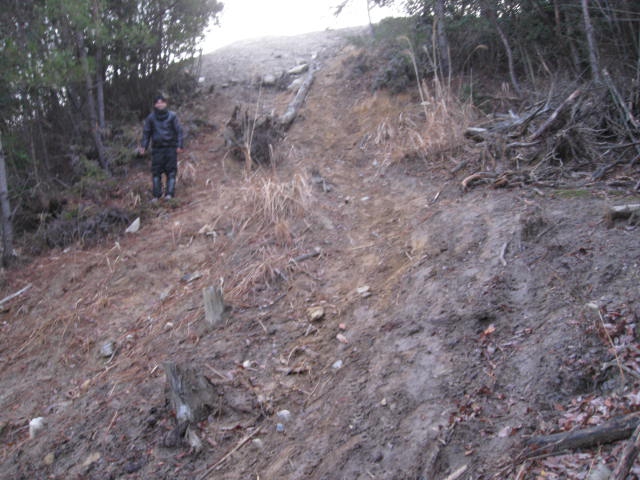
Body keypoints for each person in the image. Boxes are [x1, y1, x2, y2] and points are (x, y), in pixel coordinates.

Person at [138, 95, 184, 201]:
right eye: (157, 103)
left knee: (171, 172)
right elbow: (146, 133)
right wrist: (143, 146)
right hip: (157, 149)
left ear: (165, 103)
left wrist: (180, 145)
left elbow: (179, 131)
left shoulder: (172, 116)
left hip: (170, 148)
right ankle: (156, 196)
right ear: (155, 105)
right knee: (156, 173)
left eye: (161, 102)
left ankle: (169, 195)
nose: (160, 104)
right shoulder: (151, 118)